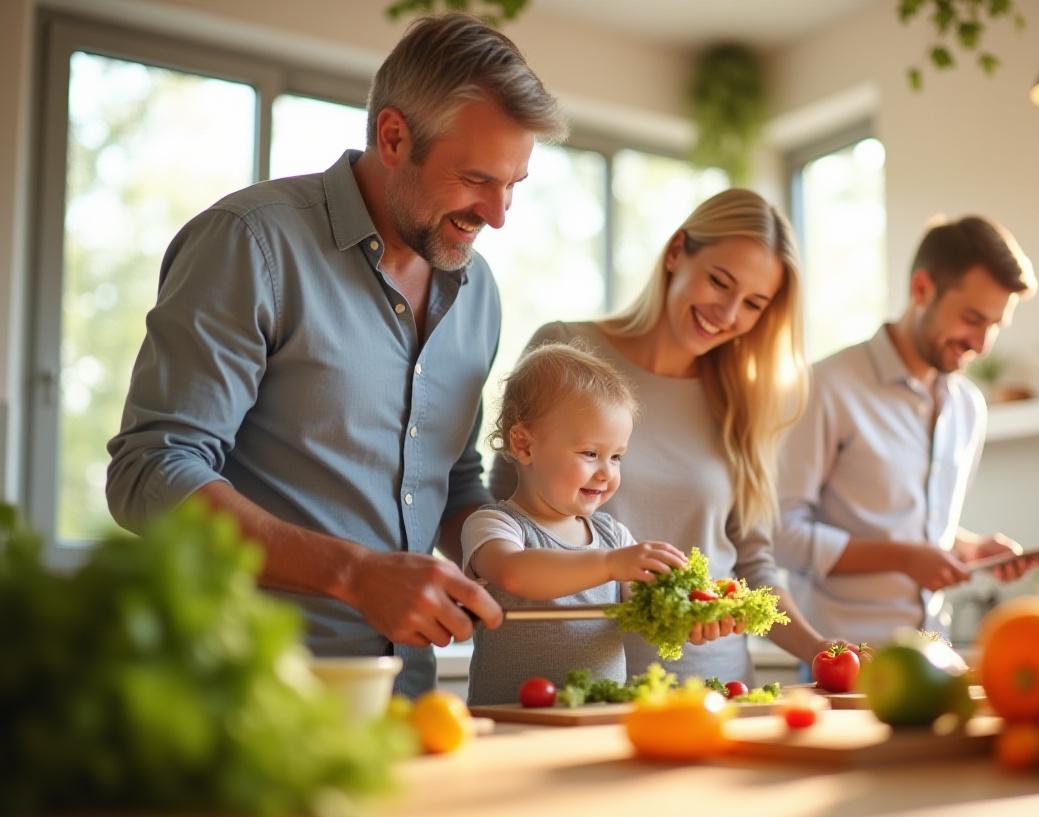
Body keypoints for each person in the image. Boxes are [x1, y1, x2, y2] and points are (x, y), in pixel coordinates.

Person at [105, 13, 568, 697]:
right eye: (476, 179)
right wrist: (354, 574)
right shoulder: (252, 244)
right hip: (242, 690)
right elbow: (151, 473)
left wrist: (550, 558)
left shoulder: (478, 292)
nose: (498, 215)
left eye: (514, 184)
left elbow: (451, 479)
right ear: (392, 137)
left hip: (405, 696)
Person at [491, 188, 833, 684]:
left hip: (715, 683)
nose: (729, 313)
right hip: (579, 675)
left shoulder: (743, 399)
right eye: (720, 281)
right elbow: (507, 508)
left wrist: (821, 650)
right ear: (676, 252)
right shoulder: (566, 348)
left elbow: (753, 565)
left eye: (754, 304)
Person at [775, 215, 1039, 649]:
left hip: (934, 652)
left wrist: (970, 550)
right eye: (972, 318)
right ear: (922, 289)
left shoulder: (968, 408)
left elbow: (912, 527)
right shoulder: (826, 387)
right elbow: (780, 535)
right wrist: (904, 559)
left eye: (994, 325)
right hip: (840, 660)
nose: (982, 343)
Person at [461, 342, 689, 705]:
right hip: (510, 725)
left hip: (597, 723)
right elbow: (515, 574)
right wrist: (610, 564)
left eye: (616, 457)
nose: (606, 473)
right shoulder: (496, 525)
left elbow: (650, 612)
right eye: (590, 454)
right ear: (524, 446)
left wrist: (695, 614)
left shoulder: (613, 537)